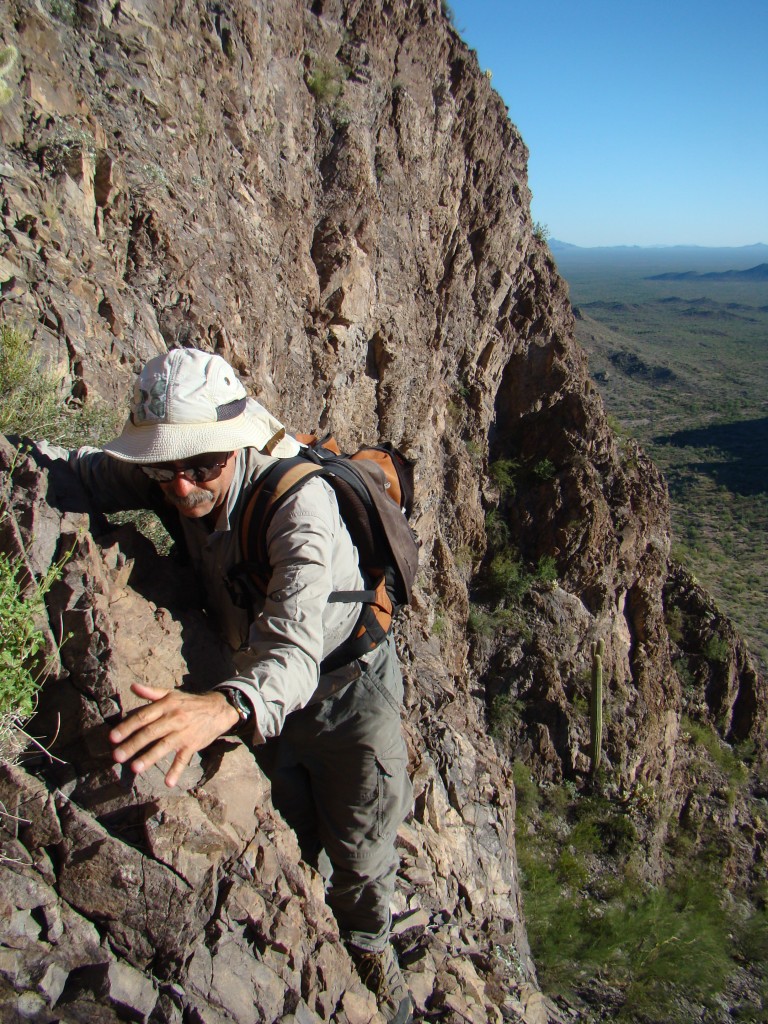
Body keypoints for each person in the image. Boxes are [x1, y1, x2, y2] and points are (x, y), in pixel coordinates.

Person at [48, 347, 414, 1024]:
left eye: (201, 466)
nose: (181, 489)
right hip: (258, 686)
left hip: (346, 695)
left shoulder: (299, 506)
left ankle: (370, 953)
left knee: (361, 847)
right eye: (164, 469)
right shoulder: (177, 474)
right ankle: (314, 901)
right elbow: (87, 475)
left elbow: (297, 652)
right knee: (299, 824)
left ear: (233, 444)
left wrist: (224, 705)